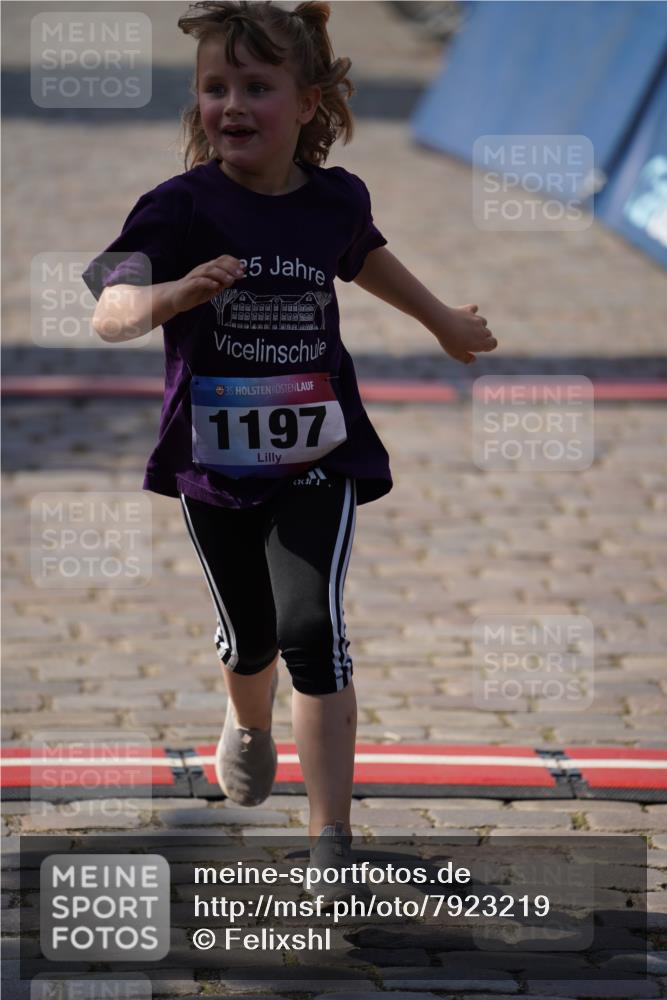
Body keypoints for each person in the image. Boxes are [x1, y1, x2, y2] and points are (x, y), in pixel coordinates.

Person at [82, 0, 497, 893]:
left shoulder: (335, 199)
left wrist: (442, 321)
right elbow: (108, 309)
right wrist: (172, 295)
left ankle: (329, 841)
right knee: (251, 641)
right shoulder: (178, 207)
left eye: (255, 87)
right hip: (212, 463)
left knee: (315, 632)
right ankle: (248, 722)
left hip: (319, 454)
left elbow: (363, 252)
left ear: (309, 103)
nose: (230, 104)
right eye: (213, 87)